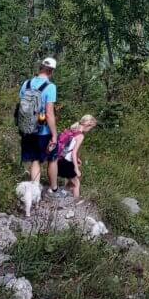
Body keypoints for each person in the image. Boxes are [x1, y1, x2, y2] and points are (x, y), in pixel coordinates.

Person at [18, 56, 60, 194]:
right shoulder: (50, 87)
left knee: (35, 160)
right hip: (43, 130)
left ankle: (34, 191)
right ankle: (53, 189)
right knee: (52, 158)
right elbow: (49, 113)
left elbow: (22, 106)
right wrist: (54, 135)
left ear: (40, 67)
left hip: (28, 129)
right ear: (51, 71)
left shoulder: (26, 84)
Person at [56, 114, 97, 201]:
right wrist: (76, 168)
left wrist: (77, 159)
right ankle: (76, 203)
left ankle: (61, 193)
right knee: (76, 183)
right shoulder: (80, 135)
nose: (90, 130)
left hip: (59, 159)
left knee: (71, 180)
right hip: (66, 162)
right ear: (87, 125)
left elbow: (68, 147)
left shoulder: (73, 130)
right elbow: (73, 153)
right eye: (91, 127)